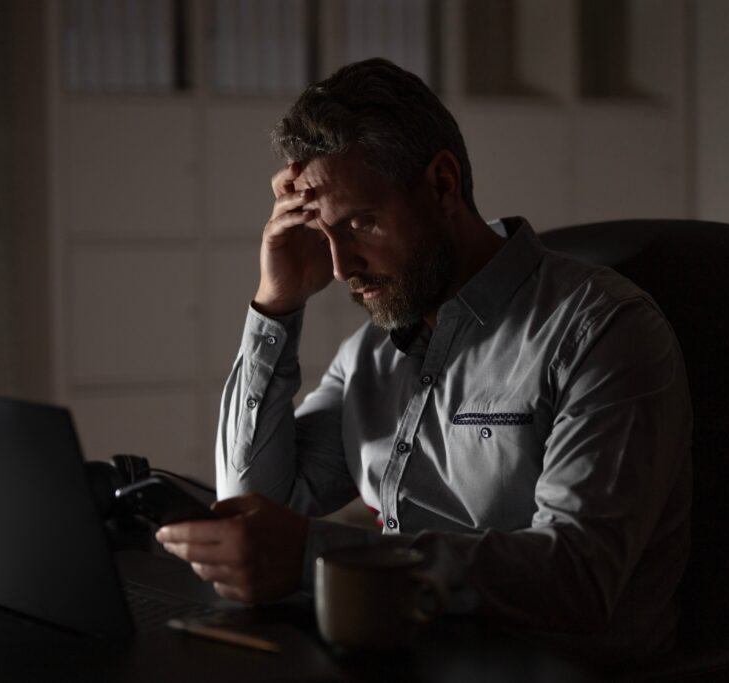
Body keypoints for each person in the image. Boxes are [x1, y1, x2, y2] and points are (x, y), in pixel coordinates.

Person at [156, 58, 692, 657]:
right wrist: (274, 309)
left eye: (362, 222)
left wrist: (319, 555)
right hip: (404, 655)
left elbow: (578, 576)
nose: (340, 268)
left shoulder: (602, 330)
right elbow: (254, 512)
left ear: (442, 185)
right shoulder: (366, 356)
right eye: (325, 235)